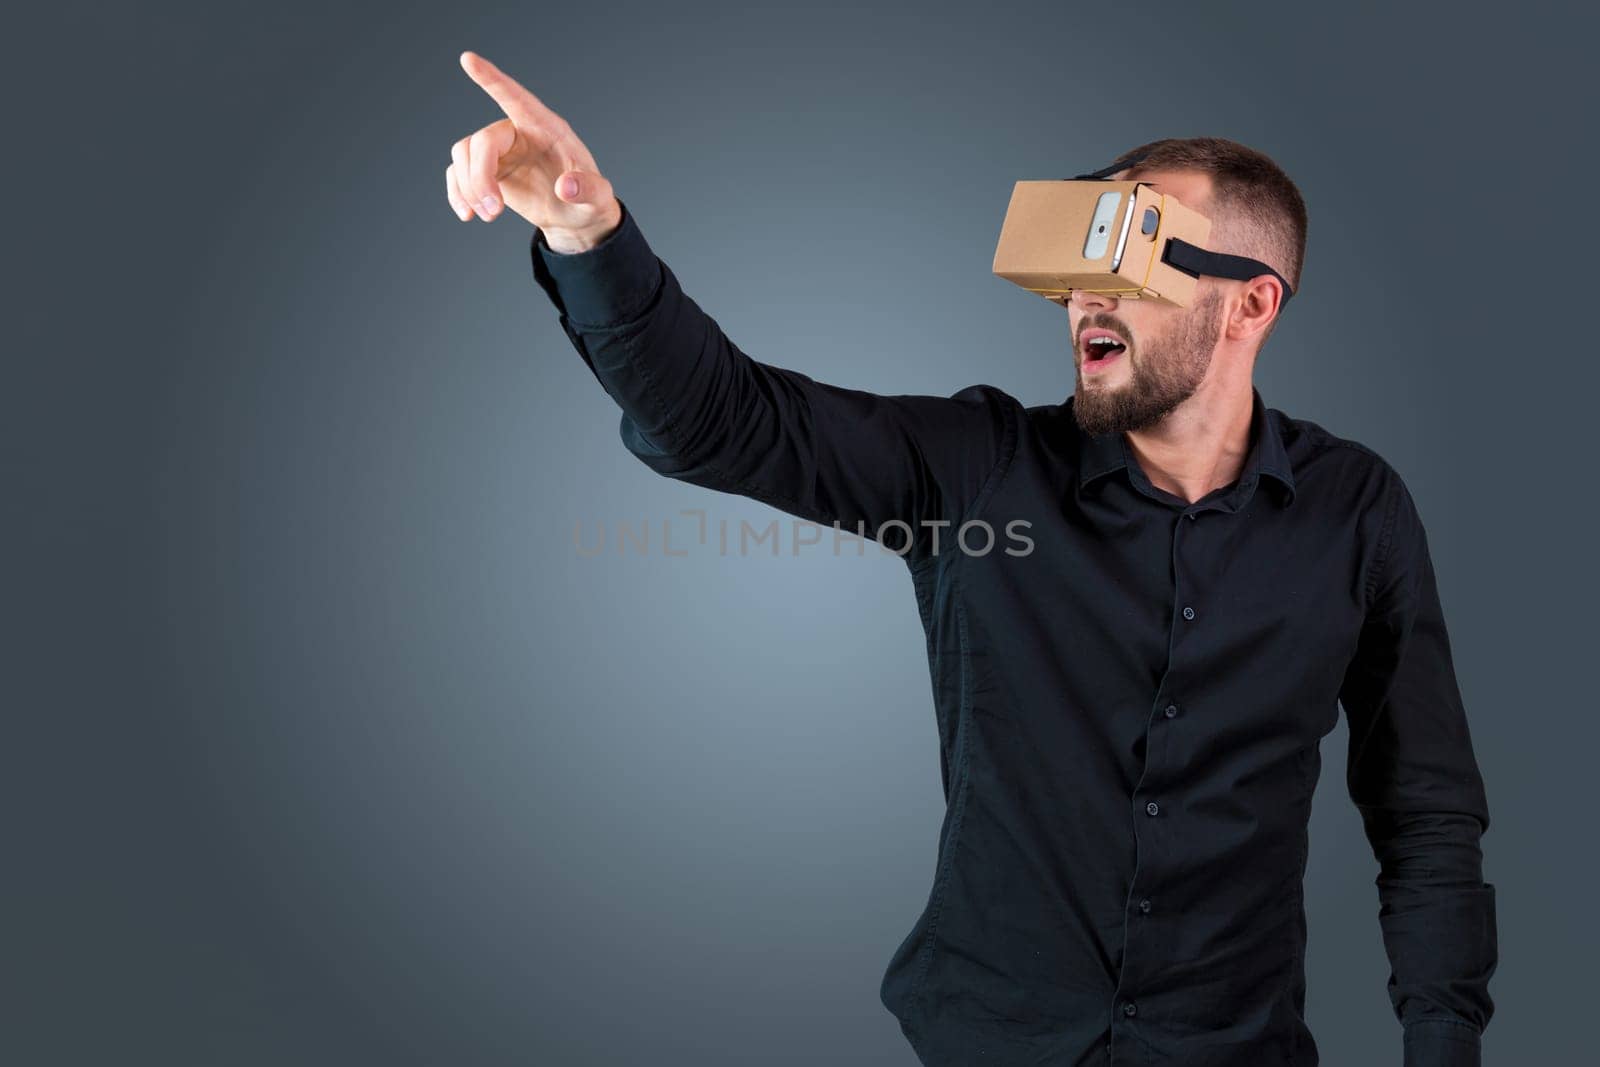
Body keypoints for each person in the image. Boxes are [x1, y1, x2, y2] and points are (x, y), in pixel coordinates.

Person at [445, 50, 1497, 1067]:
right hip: (993, 1039)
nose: (1087, 298)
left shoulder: (1357, 511)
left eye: (1129, 259)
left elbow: (1426, 811)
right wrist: (589, 234)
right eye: (1080, 268)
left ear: (1250, 303)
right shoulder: (979, 468)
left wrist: (1440, 1040)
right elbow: (722, 419)